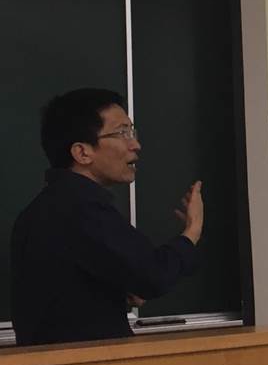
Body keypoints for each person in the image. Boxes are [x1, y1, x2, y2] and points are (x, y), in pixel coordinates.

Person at [10, 88, 203, 346]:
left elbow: (65, 295)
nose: (135, 144)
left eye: (132, 131)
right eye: (122, 133)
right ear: (82, 153)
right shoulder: (81, 208)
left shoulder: (41, 209)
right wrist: (192, 230)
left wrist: (117, 289)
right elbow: (153, 275)